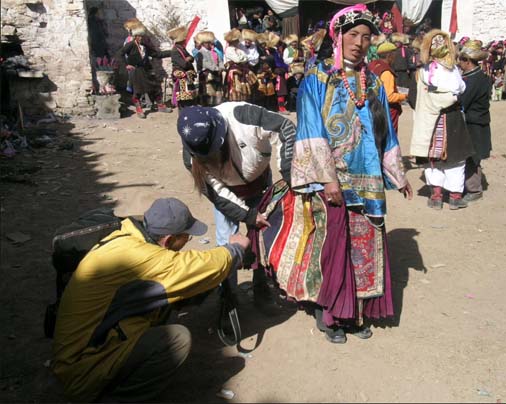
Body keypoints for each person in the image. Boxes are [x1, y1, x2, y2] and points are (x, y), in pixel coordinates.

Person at [252, 4, 412, 344]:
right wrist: (327, 179)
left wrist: (398, 174)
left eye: (366, 37)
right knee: (334, 246)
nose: (359, 43)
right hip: (334, 179)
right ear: (337, 37)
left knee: (365, 245)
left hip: (368, 178)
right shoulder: (318, 77)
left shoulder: (373, 82)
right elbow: (311, 130)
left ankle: (358, 312)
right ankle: (331, 315)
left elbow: (385, 130)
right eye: (352, 34)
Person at [52, 198, 250, 402]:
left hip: (76, 352)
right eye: (186, 237)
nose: (187, 242)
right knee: (177, 340)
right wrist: (236, 249)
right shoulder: (148, 259)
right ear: (169, 240)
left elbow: (183, 281)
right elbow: (198, 266)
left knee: (168, 297)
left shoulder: (127, 235)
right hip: (80, 370)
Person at [177, 103, 296, 310]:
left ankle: (262, 288)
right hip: (228, 193)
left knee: (263, 238)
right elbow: (217, 193)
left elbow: (285, 127)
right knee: (227, 244)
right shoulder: (192, 155)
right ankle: (228, 296)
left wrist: (288, 171)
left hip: (260, 183)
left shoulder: (243, 116)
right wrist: (248, 215)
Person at [409, 29, 475, 210]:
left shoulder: (423, 71)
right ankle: (455, 197)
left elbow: (414, 96)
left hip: (429, 119)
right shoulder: (452, 70)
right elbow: (461, 88)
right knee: (456, 159)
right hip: (451, 117)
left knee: (432, 159)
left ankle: (436, 196)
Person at [457, 40, 493, 203]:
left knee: (472, 156)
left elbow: (463, 100)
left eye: (461, 60)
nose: (459, 63)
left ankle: (474, 189)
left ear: (467, 61)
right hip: (477, 121)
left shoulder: (474, 80)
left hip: (474, 123)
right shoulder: (479, 76)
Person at [116, 24, 171, 118]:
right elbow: (119, 54)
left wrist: (171, 52)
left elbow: (156, 54)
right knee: (138, 91)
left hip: (145, 70)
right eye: (139, 36)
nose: (141, 38)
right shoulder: (131, 45)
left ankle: (160, 106)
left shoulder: (144, 46)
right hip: (135, 71)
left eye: (142, 36)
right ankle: (139, 109)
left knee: (155, 87)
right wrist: (126, 65)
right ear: (135, 36)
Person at [368, 41, 408, 135]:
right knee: (389, 137)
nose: (395, 58)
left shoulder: (372, 65)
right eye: (394, 55)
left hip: (373, 107)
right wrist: (405, 96)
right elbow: (389, 97)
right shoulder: (386, 72)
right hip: (387, 111)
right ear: (389, 55)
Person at [223, 28, 257, 102]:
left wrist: (242, 58)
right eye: (237, 40)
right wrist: (242, 58)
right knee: (235, 87)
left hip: (241, 71)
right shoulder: (229, 49)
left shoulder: (237, 49)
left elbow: (245, 58)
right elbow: (237, 60)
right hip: (234, 72)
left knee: (242, 87)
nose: (238, 41)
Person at [169, 26, 197, 112]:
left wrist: (189, 59)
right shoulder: (175, 50)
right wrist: (188, 60)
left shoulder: (181, 48)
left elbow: (191, 58)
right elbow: (184, 64)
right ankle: (183, 114)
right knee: (183, 98)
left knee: (190, 97)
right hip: (182, 78)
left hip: (187, 77)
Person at [194, 31, 225, 107]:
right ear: (202, 43)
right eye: (206, 43)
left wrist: (221, 67)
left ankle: (217, 106)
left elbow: (220, 60)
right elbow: (205, 63)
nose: (208, 44)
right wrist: (217, 68)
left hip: (216, 75)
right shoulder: (200, 53)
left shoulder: (214, 52)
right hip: (207, 76)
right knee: (207, 93)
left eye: (209, 42)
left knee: (218, 92)